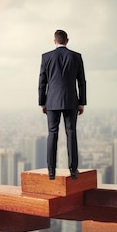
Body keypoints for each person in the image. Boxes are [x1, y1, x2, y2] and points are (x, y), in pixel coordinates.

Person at [38, 29, 86, 180]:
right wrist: (82, 102)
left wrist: (42, 102)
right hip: (71, 100)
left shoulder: (46, 57)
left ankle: (51, 171)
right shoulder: (76, 56)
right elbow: (81, 82)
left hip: (51, 101)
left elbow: (42, 82)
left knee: (52, 134)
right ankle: (73, 170)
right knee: (71, 133)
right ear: (67, 40)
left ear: (55, 41)